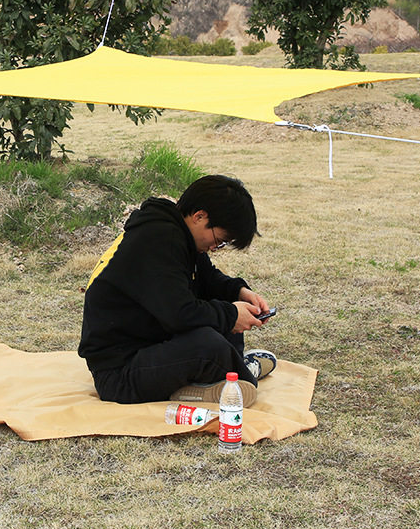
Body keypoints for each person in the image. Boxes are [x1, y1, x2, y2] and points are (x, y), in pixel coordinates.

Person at [78, 174, 276, 407]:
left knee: (224, 305)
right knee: (210, 340)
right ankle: (239, 376)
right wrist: (231, 314)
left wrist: (239, 292)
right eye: (219, 240)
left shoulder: (176, 232)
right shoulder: (158, 240)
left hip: (149, 344)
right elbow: (179, 314)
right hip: (120, 374)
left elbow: (208, 279)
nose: (216, 248)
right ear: (199, 216)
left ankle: (226, 372)